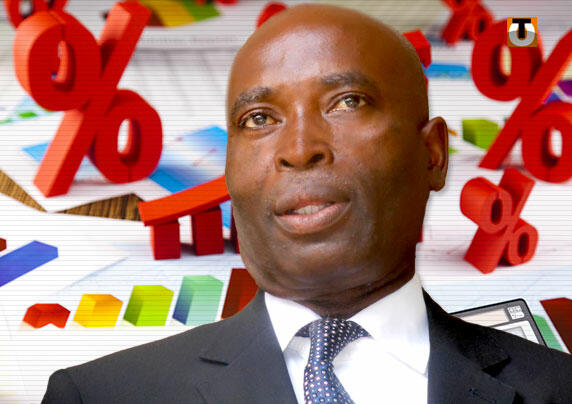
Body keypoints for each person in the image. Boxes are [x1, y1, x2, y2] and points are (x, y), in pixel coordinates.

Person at [42, 4, 572, 404]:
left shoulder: (557, 388)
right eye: (259, 119)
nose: (298, 149)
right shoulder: (99, 395)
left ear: (433, 154)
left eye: (347, 102)